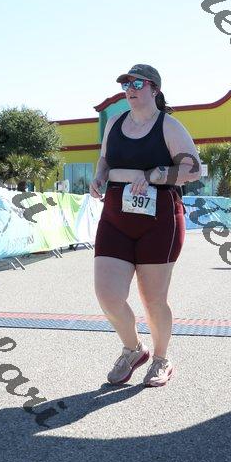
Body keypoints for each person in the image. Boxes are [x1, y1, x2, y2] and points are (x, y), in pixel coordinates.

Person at [89, 64, 201, 388]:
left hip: (159, 219)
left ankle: (161, 359)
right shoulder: (115, 123)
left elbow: (193, 168)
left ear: (155, 89)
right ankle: (133, 349)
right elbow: (105, 160)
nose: (130, 89)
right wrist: (98, 177)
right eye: (126, 84)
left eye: (137, 83)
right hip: (116, 215)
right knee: (107, 295)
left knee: (153, 299)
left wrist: (155, 175)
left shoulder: (169, 126)